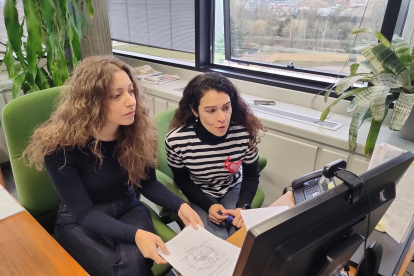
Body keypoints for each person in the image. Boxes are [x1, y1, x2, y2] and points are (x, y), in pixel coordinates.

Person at [22, 56, 203, 276]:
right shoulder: (60, 150)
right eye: (117, 95)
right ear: (91, 102)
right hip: (82, 219)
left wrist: (180, 205)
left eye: (131, 91)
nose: (131, 101)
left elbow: (147, 183)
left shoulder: (138, 134)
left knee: (134, 263)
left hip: (128, 207)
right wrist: (136, 235)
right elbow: (84, 213)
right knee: (129, 269)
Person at [165, 72, 266, 240]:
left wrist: (243, 207)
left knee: (241, 237)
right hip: (200, 191)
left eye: (226, 107)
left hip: (233, 187)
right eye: (211, 111)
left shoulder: (243, 132)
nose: (222, 118)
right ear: (194, 111)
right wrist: (209, 205)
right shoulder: (177, 140)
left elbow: (252, 174)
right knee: (215, 240)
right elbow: (182, 180)